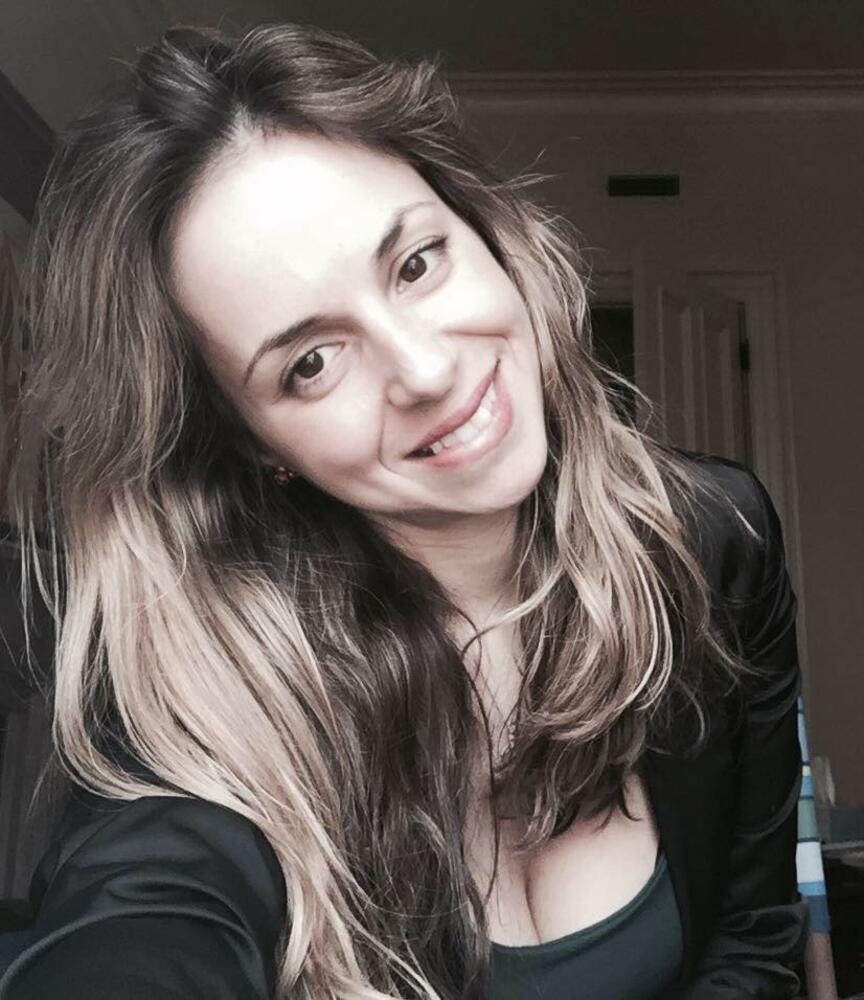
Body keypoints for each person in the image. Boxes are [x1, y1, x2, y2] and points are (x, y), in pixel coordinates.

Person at [0, 22, 806, 1000]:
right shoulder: (212, 710)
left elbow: (751, 944)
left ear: (484, 232)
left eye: (417, 263)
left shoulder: (713, 543)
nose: (424, 369)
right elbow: (144, 915)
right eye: (310, 363)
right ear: (253, 445)